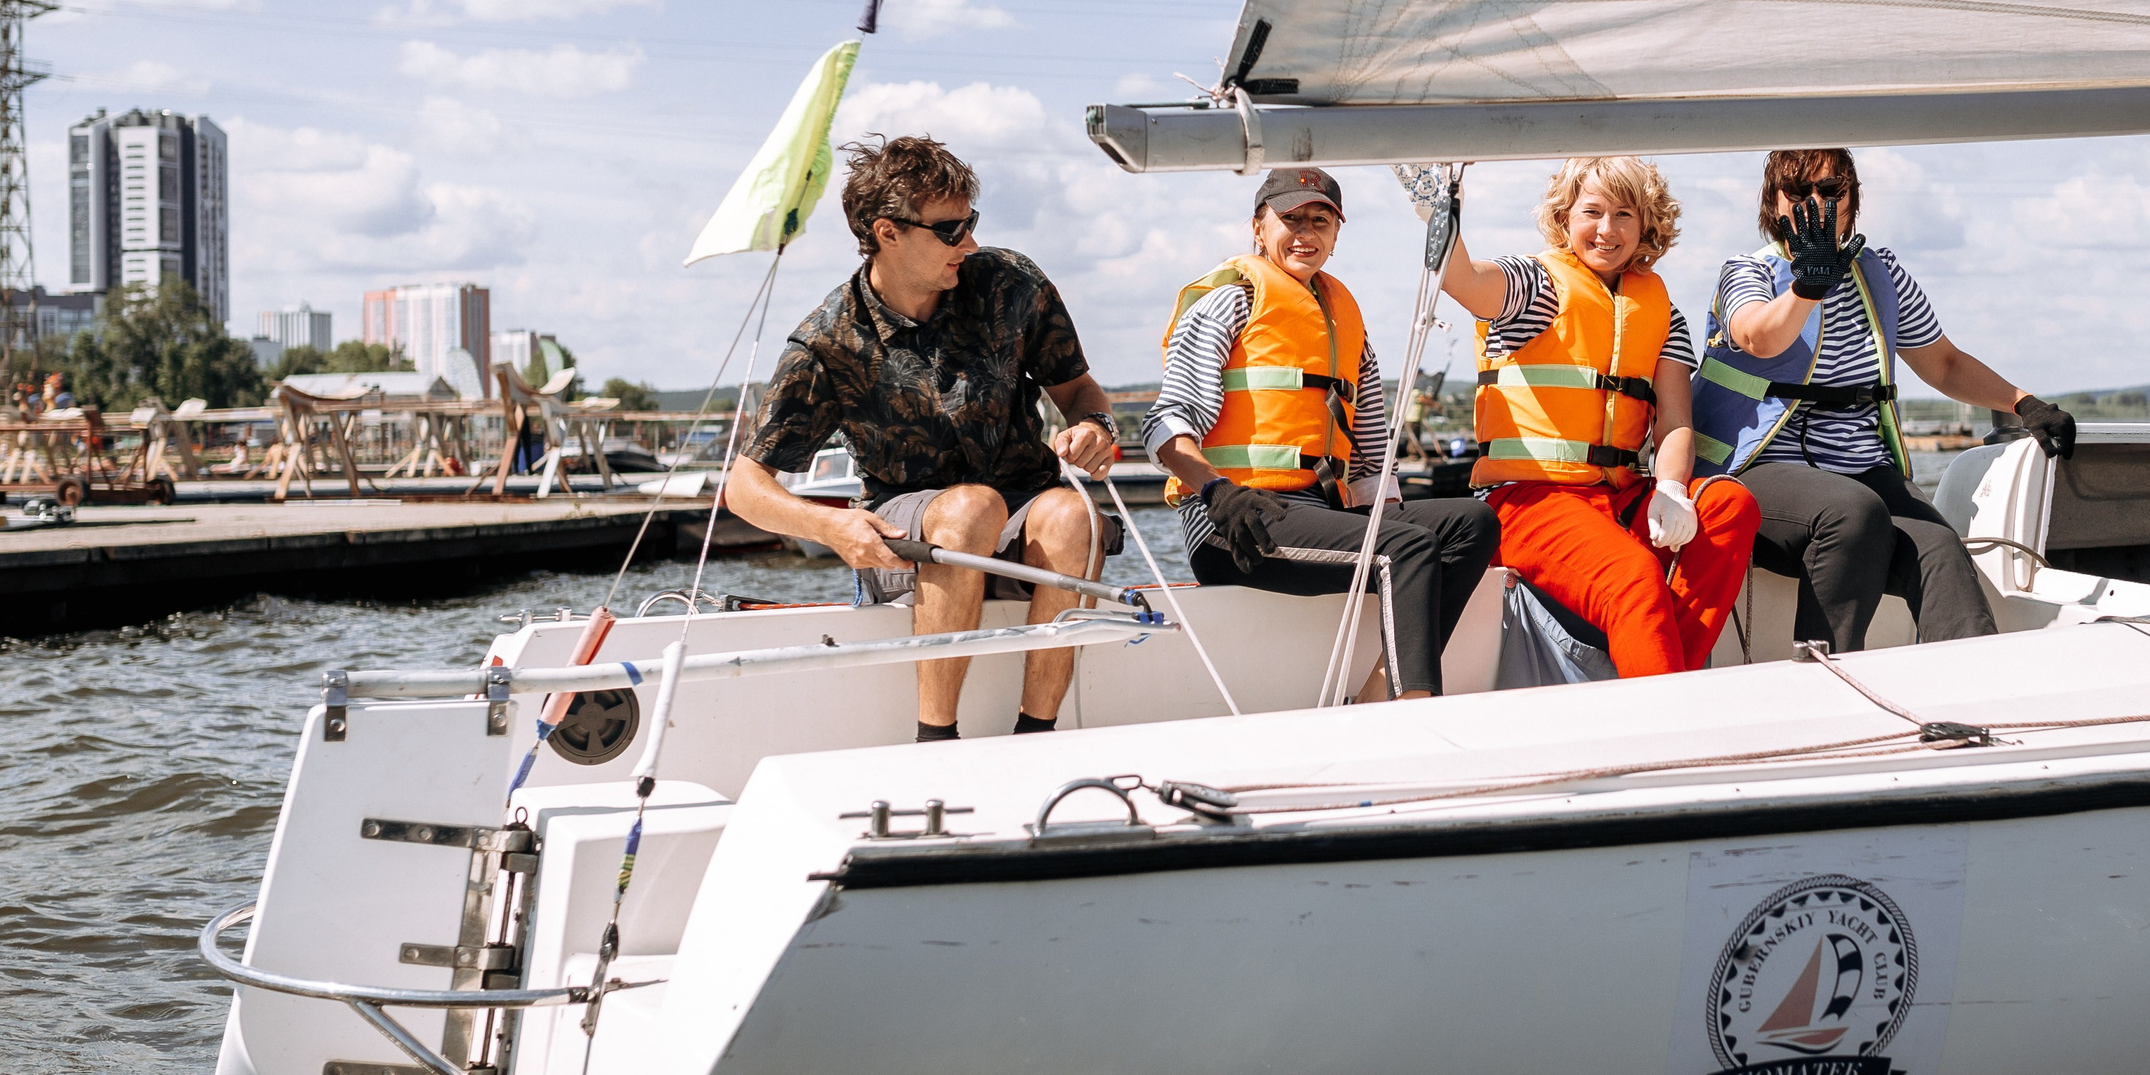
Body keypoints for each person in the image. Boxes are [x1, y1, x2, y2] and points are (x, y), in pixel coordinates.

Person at [725, 135, 1122, 743]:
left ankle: (1037, 736)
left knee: (1075, 515)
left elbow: (1080, 394)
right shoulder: (829, 342)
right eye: (950, 229)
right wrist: (831, 528)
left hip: (1026, 514)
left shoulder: (1011, 285)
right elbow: (744, 489)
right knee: (969, 508)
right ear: (887, 231)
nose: (971, 243)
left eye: (972, 223)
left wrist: (1095, 428)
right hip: (909, 535)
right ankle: (935, 741)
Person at [1694, 148, 2076, 653]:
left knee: (1940, 547)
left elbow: (1944, 363)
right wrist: (1808, 285)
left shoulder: (1881, 275)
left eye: (1831, 191)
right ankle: (1822, 681)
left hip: (1859, 470)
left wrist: (2024, 404)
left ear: (1852, 199)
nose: (1817, 204)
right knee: (1851, 512)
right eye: (1799, 192)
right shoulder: (1747, 272)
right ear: (1774, 202)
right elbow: (1757, 337)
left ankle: (1979, 687)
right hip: (1755, 467)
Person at [1147, 167, 1497, 702]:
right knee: (1403, 548)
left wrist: (1380, 511)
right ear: (1259, 227)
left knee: (1470, 522)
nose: (1305, 233)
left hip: (1314, 511)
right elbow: (1165, 424)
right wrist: (1218, 491)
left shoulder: (1343, 318)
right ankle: (1412, 708)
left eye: (1321, 221)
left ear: (1336, 236)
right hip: (1235, 523)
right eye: (1290, 219)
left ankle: (1379, 690)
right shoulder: (1231, 299)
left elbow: (1372, 453)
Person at [1420, 157, 1760, 678]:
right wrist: (1435, 209)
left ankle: (1659, 682)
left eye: (1624, 214)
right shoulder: (1534, 284)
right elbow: (1463, 281)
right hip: (1528, 500)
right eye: (1592, 211)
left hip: (1620, 496)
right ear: (1565, 216)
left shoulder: (1662, 311)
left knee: (1730, 506)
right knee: (1634, 577)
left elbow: (1675, 422)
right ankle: (1666, 724)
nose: (1607, 229)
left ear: (1647, 223)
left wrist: (1669, 488)